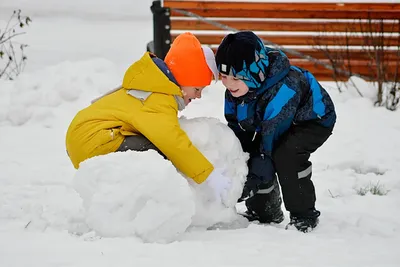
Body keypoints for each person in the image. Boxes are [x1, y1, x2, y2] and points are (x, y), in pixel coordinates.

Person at [66, 32, 230, 200]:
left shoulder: (153, 85)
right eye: (197, 89)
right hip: (94, 140)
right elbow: (172, 141)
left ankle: (128, 199)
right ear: (184, 78)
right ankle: (149, 202)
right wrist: (208, 175)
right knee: (160, 155)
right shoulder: (159, 98)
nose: (198, 96)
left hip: (87, 137)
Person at [215, 31, 336, 232]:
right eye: (224, 76)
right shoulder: (237, 90)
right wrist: (236, 158)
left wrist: (255, 175)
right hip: (269, 122)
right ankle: (265, 212)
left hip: (312, 120)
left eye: (235, 78)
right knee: (250, 155)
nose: (228, 83)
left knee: (285, 155)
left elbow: (270, 142)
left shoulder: (284, 89)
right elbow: (236, 128)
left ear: (254, 74)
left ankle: (303, 215)